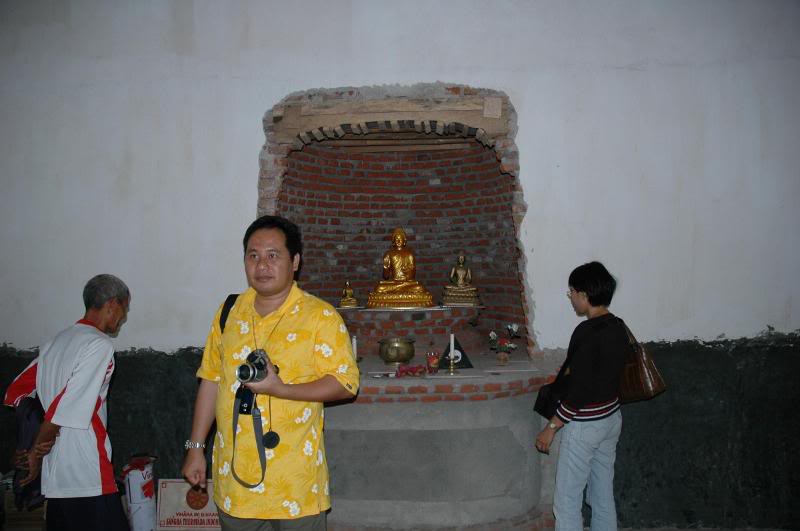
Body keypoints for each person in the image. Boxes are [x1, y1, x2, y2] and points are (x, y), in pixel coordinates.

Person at [182, 215, 360, 530]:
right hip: (236, 482)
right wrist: (195, 448)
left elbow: (345, 384)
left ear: (295, 262)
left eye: (273, 255)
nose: (262, 264)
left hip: (296, 485)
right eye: (253, 255)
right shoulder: (228, 312)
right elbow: (211, 379)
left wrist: (281, 389)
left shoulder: (320, 317)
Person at [3, 274, 132, 531]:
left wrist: (32, 445)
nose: (123, 317)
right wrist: (34, 453)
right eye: (124, 309)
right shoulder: (99, 345)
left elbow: (16, 392)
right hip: (87, 474)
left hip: (56, 479)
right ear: (113, 304)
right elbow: (66, 406)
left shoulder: (55, 343)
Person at [534, 261, 629, 531]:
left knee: (566, 500)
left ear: (585, 294)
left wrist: (551, 427)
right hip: (611, 418)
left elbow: (580, 391)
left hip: (586, 424)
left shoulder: (586, 332)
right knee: (601, 495)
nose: (571, 298)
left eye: (572, 292)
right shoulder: (618, 326)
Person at [367, 227, 432, 308]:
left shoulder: (409, 254)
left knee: (419, 288)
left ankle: (400, 289)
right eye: (396, 239)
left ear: (404, 240)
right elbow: (386, 276)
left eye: (400, 239)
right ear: (393, 241)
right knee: (379, 288)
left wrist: (408, 272)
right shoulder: (389, 254)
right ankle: (400, 289)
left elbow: (412, 275)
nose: (398, 241)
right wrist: (385, 267)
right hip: (394, 282)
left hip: (407, 283)